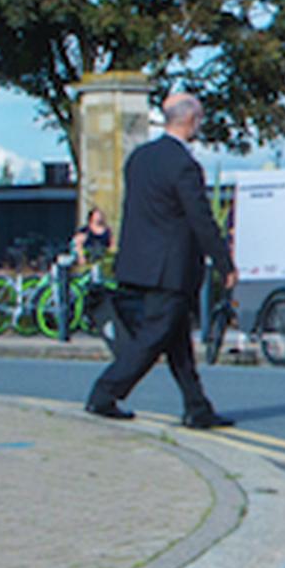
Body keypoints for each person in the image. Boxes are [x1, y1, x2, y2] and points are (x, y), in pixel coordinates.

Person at [84, 93, 236, 427]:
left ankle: (197, 408)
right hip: (171, 269)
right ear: (191, 121)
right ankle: (104, 393)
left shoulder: (140, 158)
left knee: (177, 342)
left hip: (139, 264)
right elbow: (201, 219)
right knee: (153, 339)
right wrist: (225, 263)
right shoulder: (183, 165)